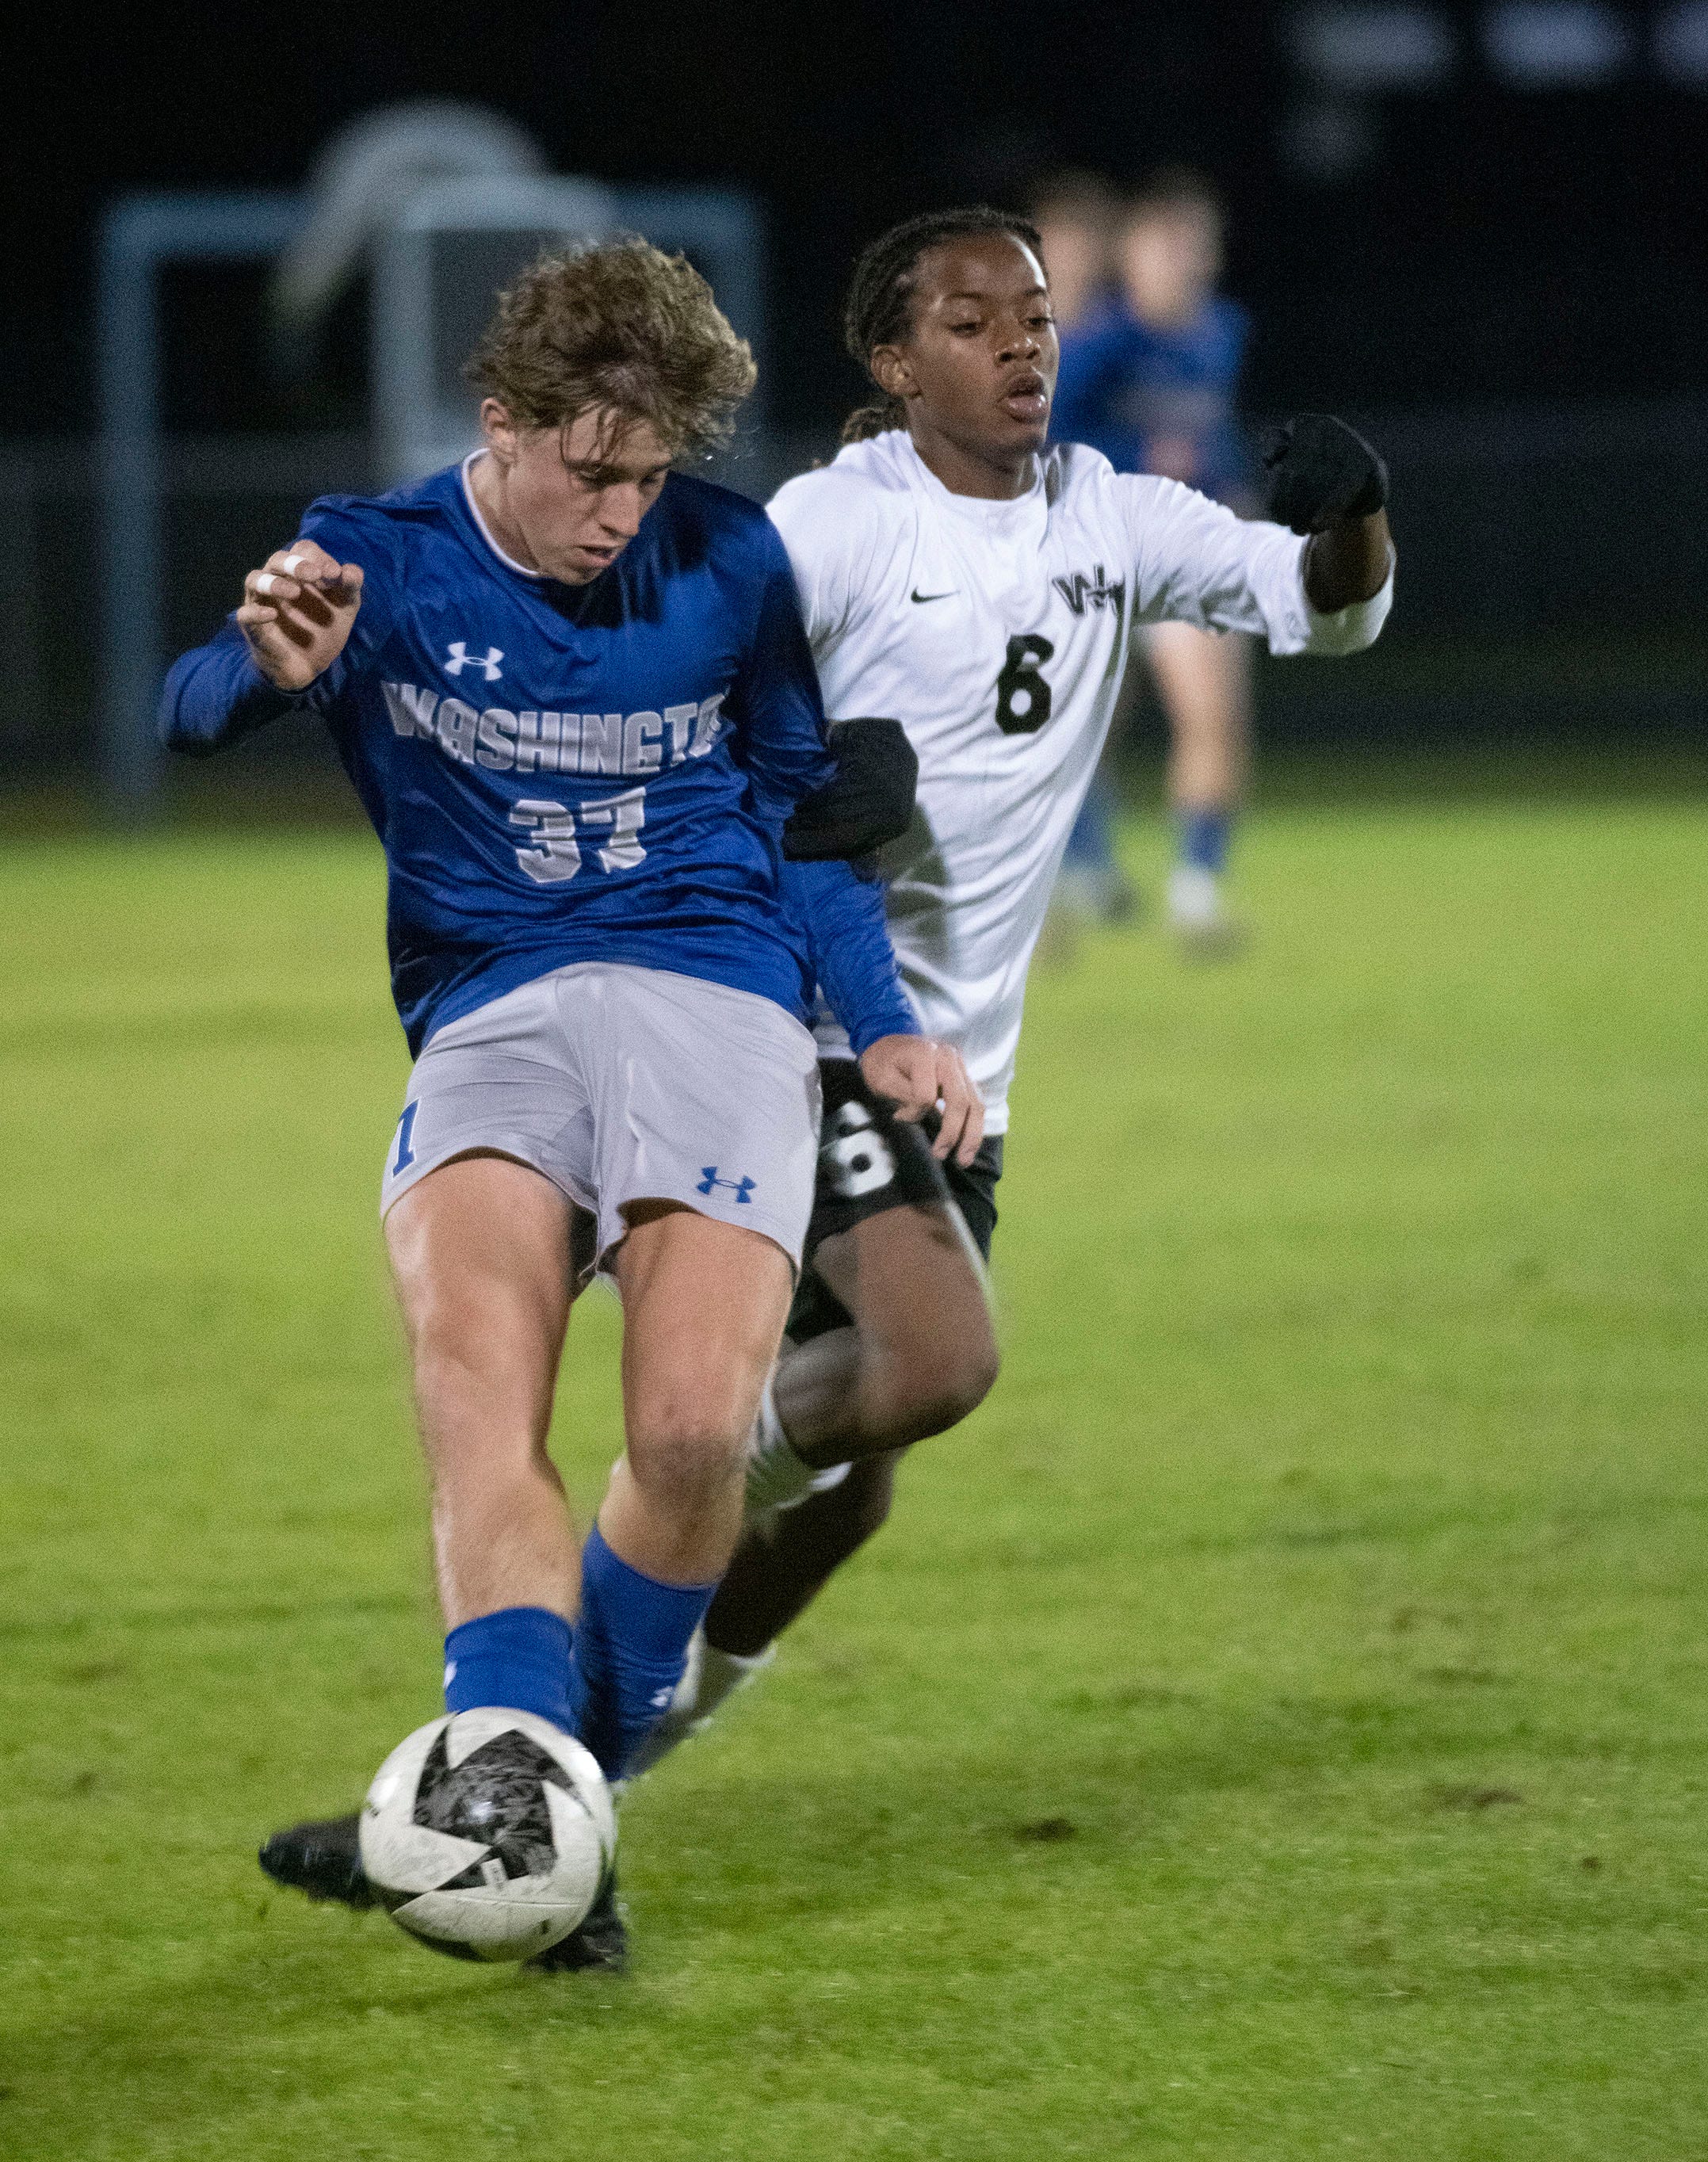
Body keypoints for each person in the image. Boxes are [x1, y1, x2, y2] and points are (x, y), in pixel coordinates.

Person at [158, 239, 975, 1967]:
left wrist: (883, 1021)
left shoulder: (727, 560)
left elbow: (798, 818)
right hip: (490, 1014)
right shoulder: (376, 555)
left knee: (690, 1437)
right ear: (502, 419)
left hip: (717, 1000)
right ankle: (536, 1832)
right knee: (478, 1405)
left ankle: (542, 1806)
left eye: (650, 473)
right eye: (590, 469)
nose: (620, 512)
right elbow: (187, 712)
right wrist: (262, 666)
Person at [635, 204, 1393, 1770]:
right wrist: (784, 802)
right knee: (932, 1362)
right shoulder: (835, 526)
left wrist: (1356, 514)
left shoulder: (1114, 517)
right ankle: (675, 1482)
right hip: (792, 1029)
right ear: (894, 361)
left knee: (856, 1496)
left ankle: (599, 1754)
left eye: (1037, 316)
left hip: (956, 1071)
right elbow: (680, 716)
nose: (1019, 345)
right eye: (971, 322)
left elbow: (1328, 603)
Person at [1045, 169, 1258, 948]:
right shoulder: (1099, 344)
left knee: (1213, 715)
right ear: (1130, 258)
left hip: (1181, 564)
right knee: (1081, 732)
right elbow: (1037, 446)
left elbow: (1210, 438)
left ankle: (1196, 894)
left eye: (1194, 247)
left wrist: (1233, 496)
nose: (1183, 263)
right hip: (1096, 562)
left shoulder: (1218, 332)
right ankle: (1083, 869)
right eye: (1165, 247)